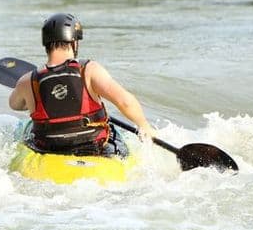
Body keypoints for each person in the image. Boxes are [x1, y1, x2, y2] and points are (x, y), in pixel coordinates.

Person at [9, 12, 156, 156]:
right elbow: (125, 102)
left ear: (46, 44)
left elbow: (14, 105)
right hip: (94, 150)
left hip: (49, 152)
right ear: (74, 43)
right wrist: (145, 126)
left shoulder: (28, 81)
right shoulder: (88, 70)